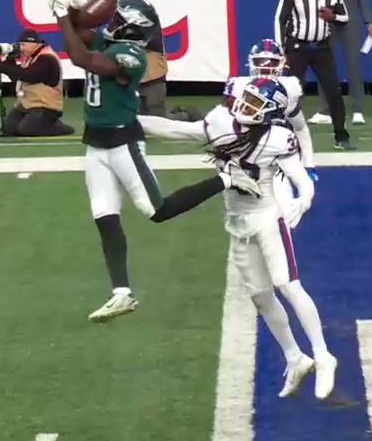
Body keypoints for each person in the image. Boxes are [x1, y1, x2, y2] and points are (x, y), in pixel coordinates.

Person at [51, 0, 260, 323]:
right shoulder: (115, 43)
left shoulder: (131, 56)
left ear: (131, 26)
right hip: (95, 143)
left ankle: (228, 176)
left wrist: (62, 13)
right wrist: (74, 7)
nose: (111, 21)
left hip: (123, 143)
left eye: (118, 18)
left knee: (156, 210)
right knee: (104, 216)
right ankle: (122, 293)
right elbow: (79, 34)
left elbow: (80, 57)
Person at [140, 78, 337, 400]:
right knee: (260, 296)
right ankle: (295, 357)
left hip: (267, 216)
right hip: (237, 222)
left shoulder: (279, 138)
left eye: (256, 102)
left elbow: (302, 178)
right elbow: (179, 131)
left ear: (269, 111)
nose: (246, 105)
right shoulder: (220, 120)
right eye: (247, 97)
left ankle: (323, 354)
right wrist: (133, 122)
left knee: (287, 284)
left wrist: (304, 200)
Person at [276, 0, 354, 150]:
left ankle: (341, 136)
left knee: (333, 92)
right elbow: (280, 20)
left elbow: (345, 18)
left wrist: (332, 16)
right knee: (291, 93)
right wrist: (281, 50)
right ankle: (286, 137)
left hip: (321, 48)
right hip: (297, 47)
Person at [225, 40, 318, 182]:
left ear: (282, 63)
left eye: (272, 63)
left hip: (278, 151)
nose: (266, 69)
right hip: (245, 150)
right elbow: (225, 127)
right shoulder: (238, 86)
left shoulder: (289, 88)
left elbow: (300, 127)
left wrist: (308, 164)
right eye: (260, 62)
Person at [0, 29, 74, 137]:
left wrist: (1, 66)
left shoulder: (47, 58)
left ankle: (58, 127)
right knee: (8, 130)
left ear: (34, 44)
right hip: (26, 105)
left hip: (45, 106)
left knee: (26, 130)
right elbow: (17, 77)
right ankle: (39, 123)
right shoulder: (30, 57)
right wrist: (9, 60)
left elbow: (28, 76)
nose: (21, 48)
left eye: (23, 45)